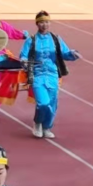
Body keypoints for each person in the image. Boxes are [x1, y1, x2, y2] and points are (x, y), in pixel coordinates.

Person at [18, 11, 81, 139]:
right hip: (37, 76)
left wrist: (73, 54)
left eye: (47, 22)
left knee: (52, 104)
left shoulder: (56, 39)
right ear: (37, 24)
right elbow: (23, 56)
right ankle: (37, 122)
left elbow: (65, 53)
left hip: (53, 75)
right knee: (43, 103)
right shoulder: (31, 40)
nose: (44, 24)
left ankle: (47, 127)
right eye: (41, 22)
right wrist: (24, 61)